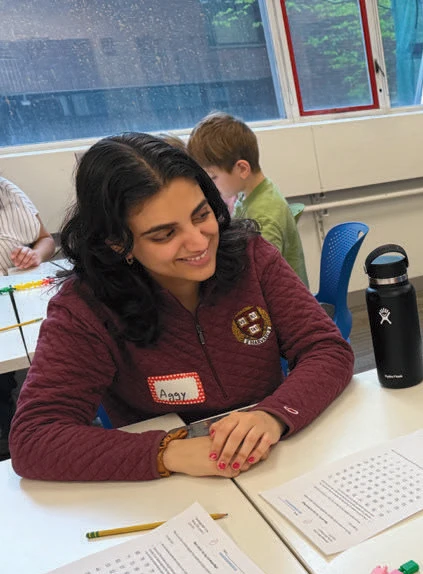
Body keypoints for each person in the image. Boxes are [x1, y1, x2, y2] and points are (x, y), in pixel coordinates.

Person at [9, 133, 353, 482]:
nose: (199, 241)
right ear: (117, 243)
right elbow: (34, 438)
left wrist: (273, 415)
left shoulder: (251, 257)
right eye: (164, 235)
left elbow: (326, 348)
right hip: (171, 491)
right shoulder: (85, 310)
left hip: (273, 462)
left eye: (201, 214)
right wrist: (167, 452)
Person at [187, 112, 308, 285]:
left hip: (282, 303)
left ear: (242, 169)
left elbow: (263, 277)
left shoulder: (263, 217)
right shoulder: (253, 193)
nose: (211, 187)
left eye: (212, 178)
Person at [0, 174, 56, 457]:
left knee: (44, 356)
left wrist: (34, 255)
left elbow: (46, 240)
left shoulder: (8, 191)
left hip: (20, 300)